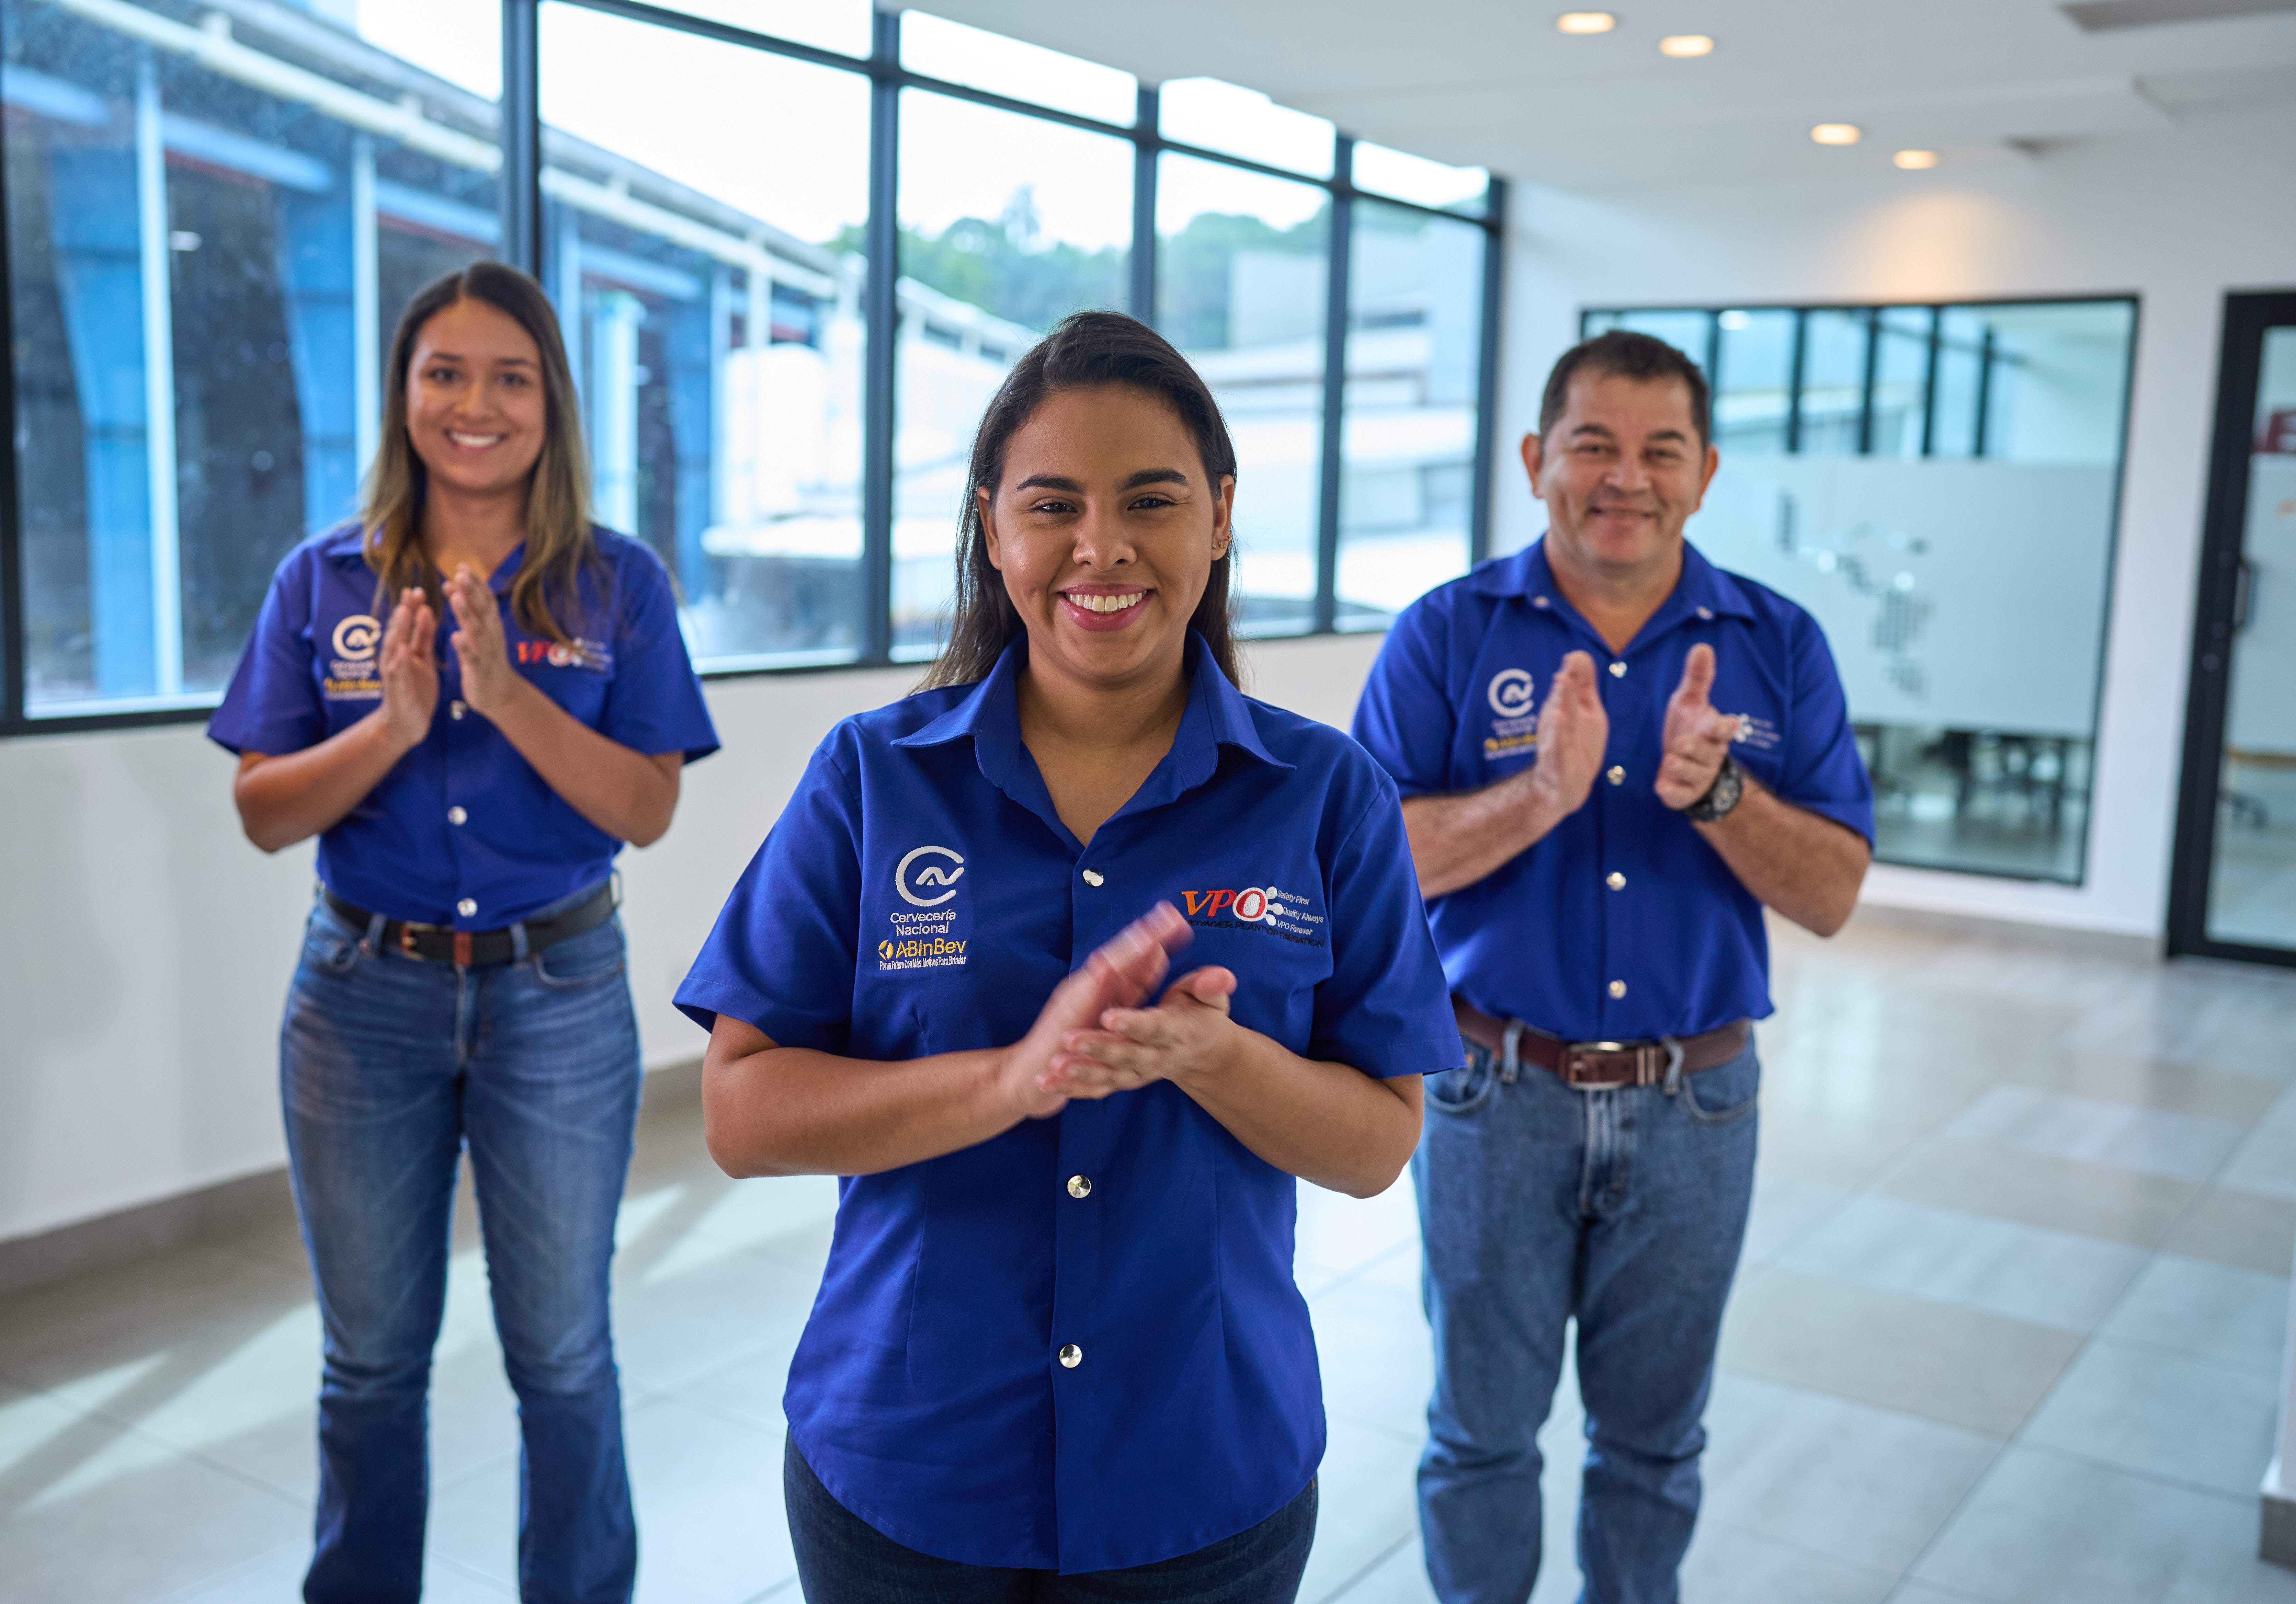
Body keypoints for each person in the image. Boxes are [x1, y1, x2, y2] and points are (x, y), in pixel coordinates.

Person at [674, 310, 1462, 1602]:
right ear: (996, 529)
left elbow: (1377, 1147)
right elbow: (743, 1114)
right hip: (914, 1468)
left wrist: (1215, 1058)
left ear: (1218, 516)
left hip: (1201, 1474)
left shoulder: (1325, 796)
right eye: (1055, 506)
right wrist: (1010, 1081)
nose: (1103, 548)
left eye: (1150, 499)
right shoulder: (874, 780)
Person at [208, 260, 719, 1604]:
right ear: (404, 393)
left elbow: (647, 806)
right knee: (369, 1360)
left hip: (558, 989)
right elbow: (263, 813)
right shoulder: (323, 581)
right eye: (445, 372)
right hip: (360, 994)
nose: (474, 403)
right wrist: (391, 722)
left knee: (561, 1351)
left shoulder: (618, 587)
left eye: (510, 375)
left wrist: (500, 696)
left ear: (551, 401)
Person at [1351, 330, 1875, 1604]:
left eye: (1659, 451)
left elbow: (1831, 893)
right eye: (1593, 444)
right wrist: (1536, 799)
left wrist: (1722, 794)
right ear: (1537, 461)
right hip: (1492, 1092)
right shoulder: (1446, 635)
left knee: (1653, 1442)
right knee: (1479, 1438)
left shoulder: (1778, 643)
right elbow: (1367, 868)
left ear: (1704, 475)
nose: (1623, 477)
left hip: (1697, 1104)